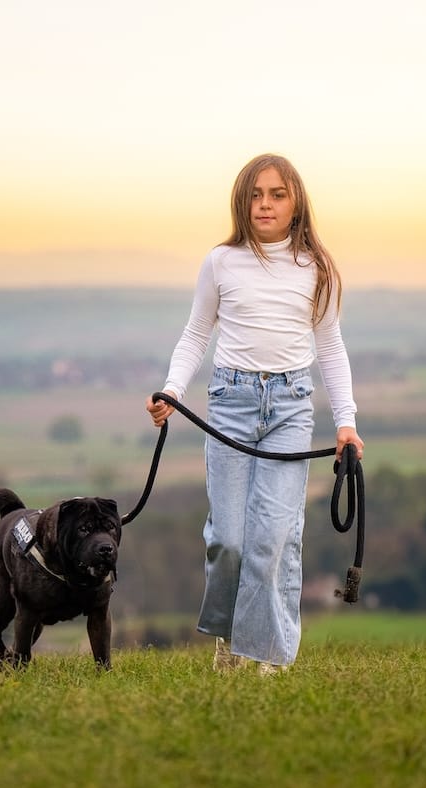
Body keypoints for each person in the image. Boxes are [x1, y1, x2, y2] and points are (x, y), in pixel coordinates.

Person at [146, 153, 364, 675]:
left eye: (277, 194)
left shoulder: (317, 268)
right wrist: (172, 389)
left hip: (290, 408)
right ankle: (231, 635)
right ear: (242, 202)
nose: (264, 204)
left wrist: (347, 422)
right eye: (255, 194)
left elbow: (330, 348)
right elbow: (197, 333)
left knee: (272, 539)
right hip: (231, 405)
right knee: (229, 540)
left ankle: (264, 655)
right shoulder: (221, 262)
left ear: (296, 203)